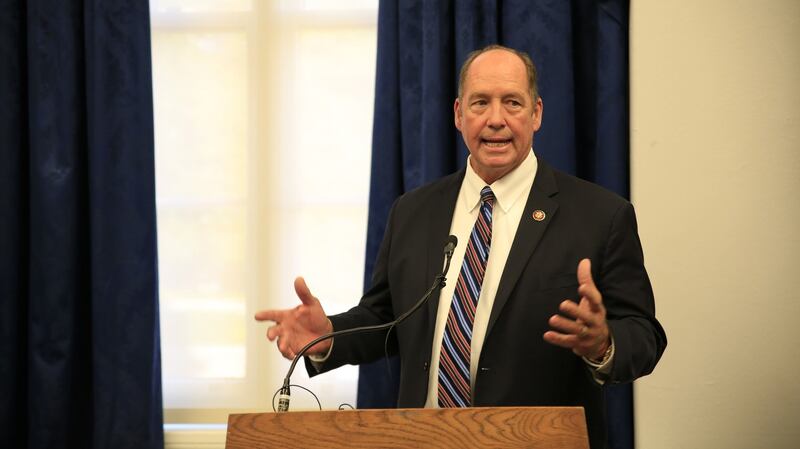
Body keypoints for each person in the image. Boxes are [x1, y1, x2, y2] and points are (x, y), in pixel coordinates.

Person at [256, 45, 666, 448]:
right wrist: (327, 335)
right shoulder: (412, 212)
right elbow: (385, 319)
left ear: (536, 113)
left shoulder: (599, 215)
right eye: (480, 103)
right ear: (458, 114)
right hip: (422, 439)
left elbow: (644, 336)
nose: (495, 120)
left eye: (512, 103)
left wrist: (604, 343)